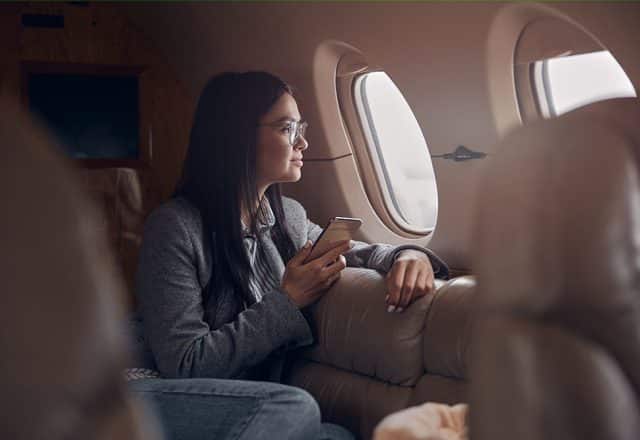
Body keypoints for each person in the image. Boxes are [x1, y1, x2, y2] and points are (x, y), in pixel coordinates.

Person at [128, 71, 449, 440]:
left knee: (335, 436)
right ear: (237, 136)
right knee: (293, 407)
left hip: (239, 402)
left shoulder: (288, 219)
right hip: (150, 393)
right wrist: (287, 301)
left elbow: (355, 252)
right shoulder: (174, 226)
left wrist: (409, 256)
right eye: (287, 128)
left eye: (301, 128)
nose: (304, 143)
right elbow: (184, 366)